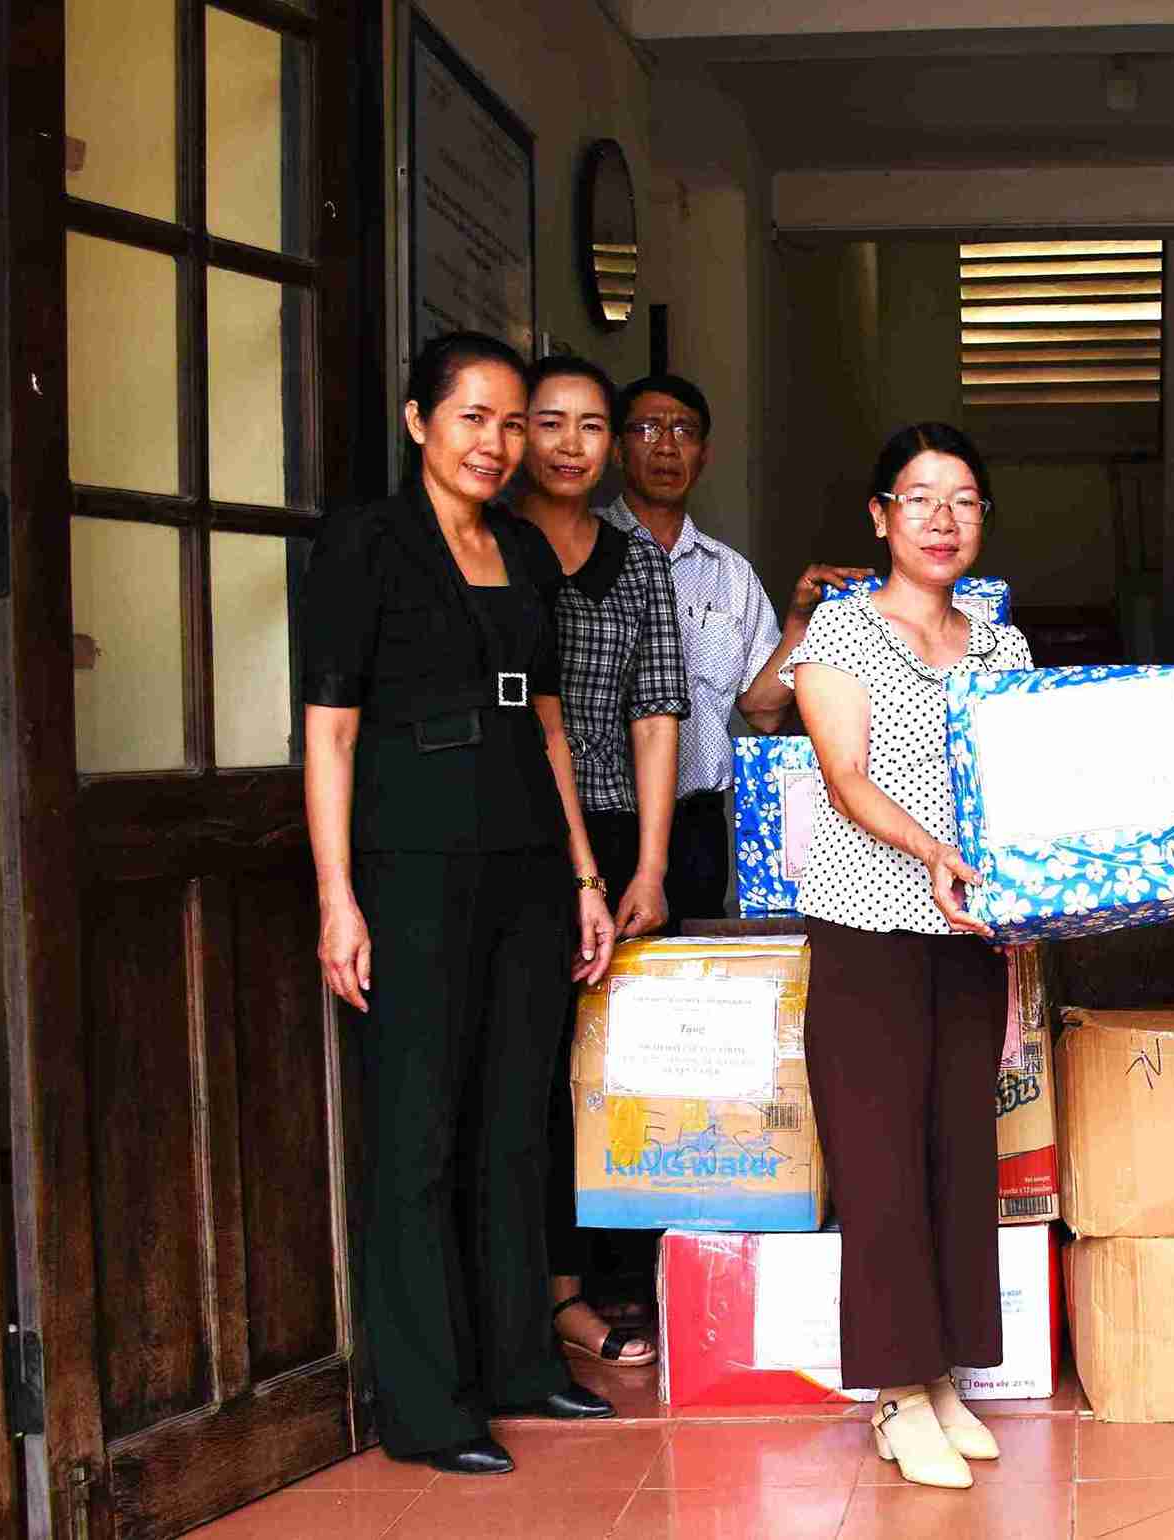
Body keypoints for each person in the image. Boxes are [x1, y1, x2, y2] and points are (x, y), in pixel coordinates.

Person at [301, 331, 622, 1475]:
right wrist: (338, 895)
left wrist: (585, 873)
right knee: (422, 1129)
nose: (494, 441)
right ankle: (429, 1407)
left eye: (510, 420)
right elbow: (330, 729)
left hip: (529, 861)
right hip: (412, 865)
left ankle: (520, 1364)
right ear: (417, 422)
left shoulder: (526, 553)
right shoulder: (366, 543)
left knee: (513, 1118)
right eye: (472, 416)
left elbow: (548, 728)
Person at [784, 422, 1033, 1491]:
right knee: (880, 1161)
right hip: (871, 927)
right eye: (920, 498)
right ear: (880, 516)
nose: (943, 519)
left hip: (972, 935)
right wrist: (935, 848)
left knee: (954, 1153)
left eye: (964, 499)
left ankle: (941, 1376)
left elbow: (1032, 780)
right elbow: (845, 777)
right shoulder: (840, 634)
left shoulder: (1002, 645)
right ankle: (894, 1391)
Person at [512, 354, 687, 1370]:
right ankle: (548, 1293)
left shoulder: (636, 562)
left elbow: (657, 713)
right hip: (517, 830)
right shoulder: (489, 547)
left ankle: (598, 1281)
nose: (570, 445)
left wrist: (651, 866)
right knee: (527, 1075)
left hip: (617, 835)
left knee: (604, 1074)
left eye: (589, 425)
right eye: (550, 423)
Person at [599, 374, 870, 925]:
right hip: (602, 816)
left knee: (689, 984)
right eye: (648, 428)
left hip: (696, 824)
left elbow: (762, 709)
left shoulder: (730, 574)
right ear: (616, 448)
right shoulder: (584, 551)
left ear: (703, 455)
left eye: (685, 431)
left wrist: (798, 619)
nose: (667, 445)